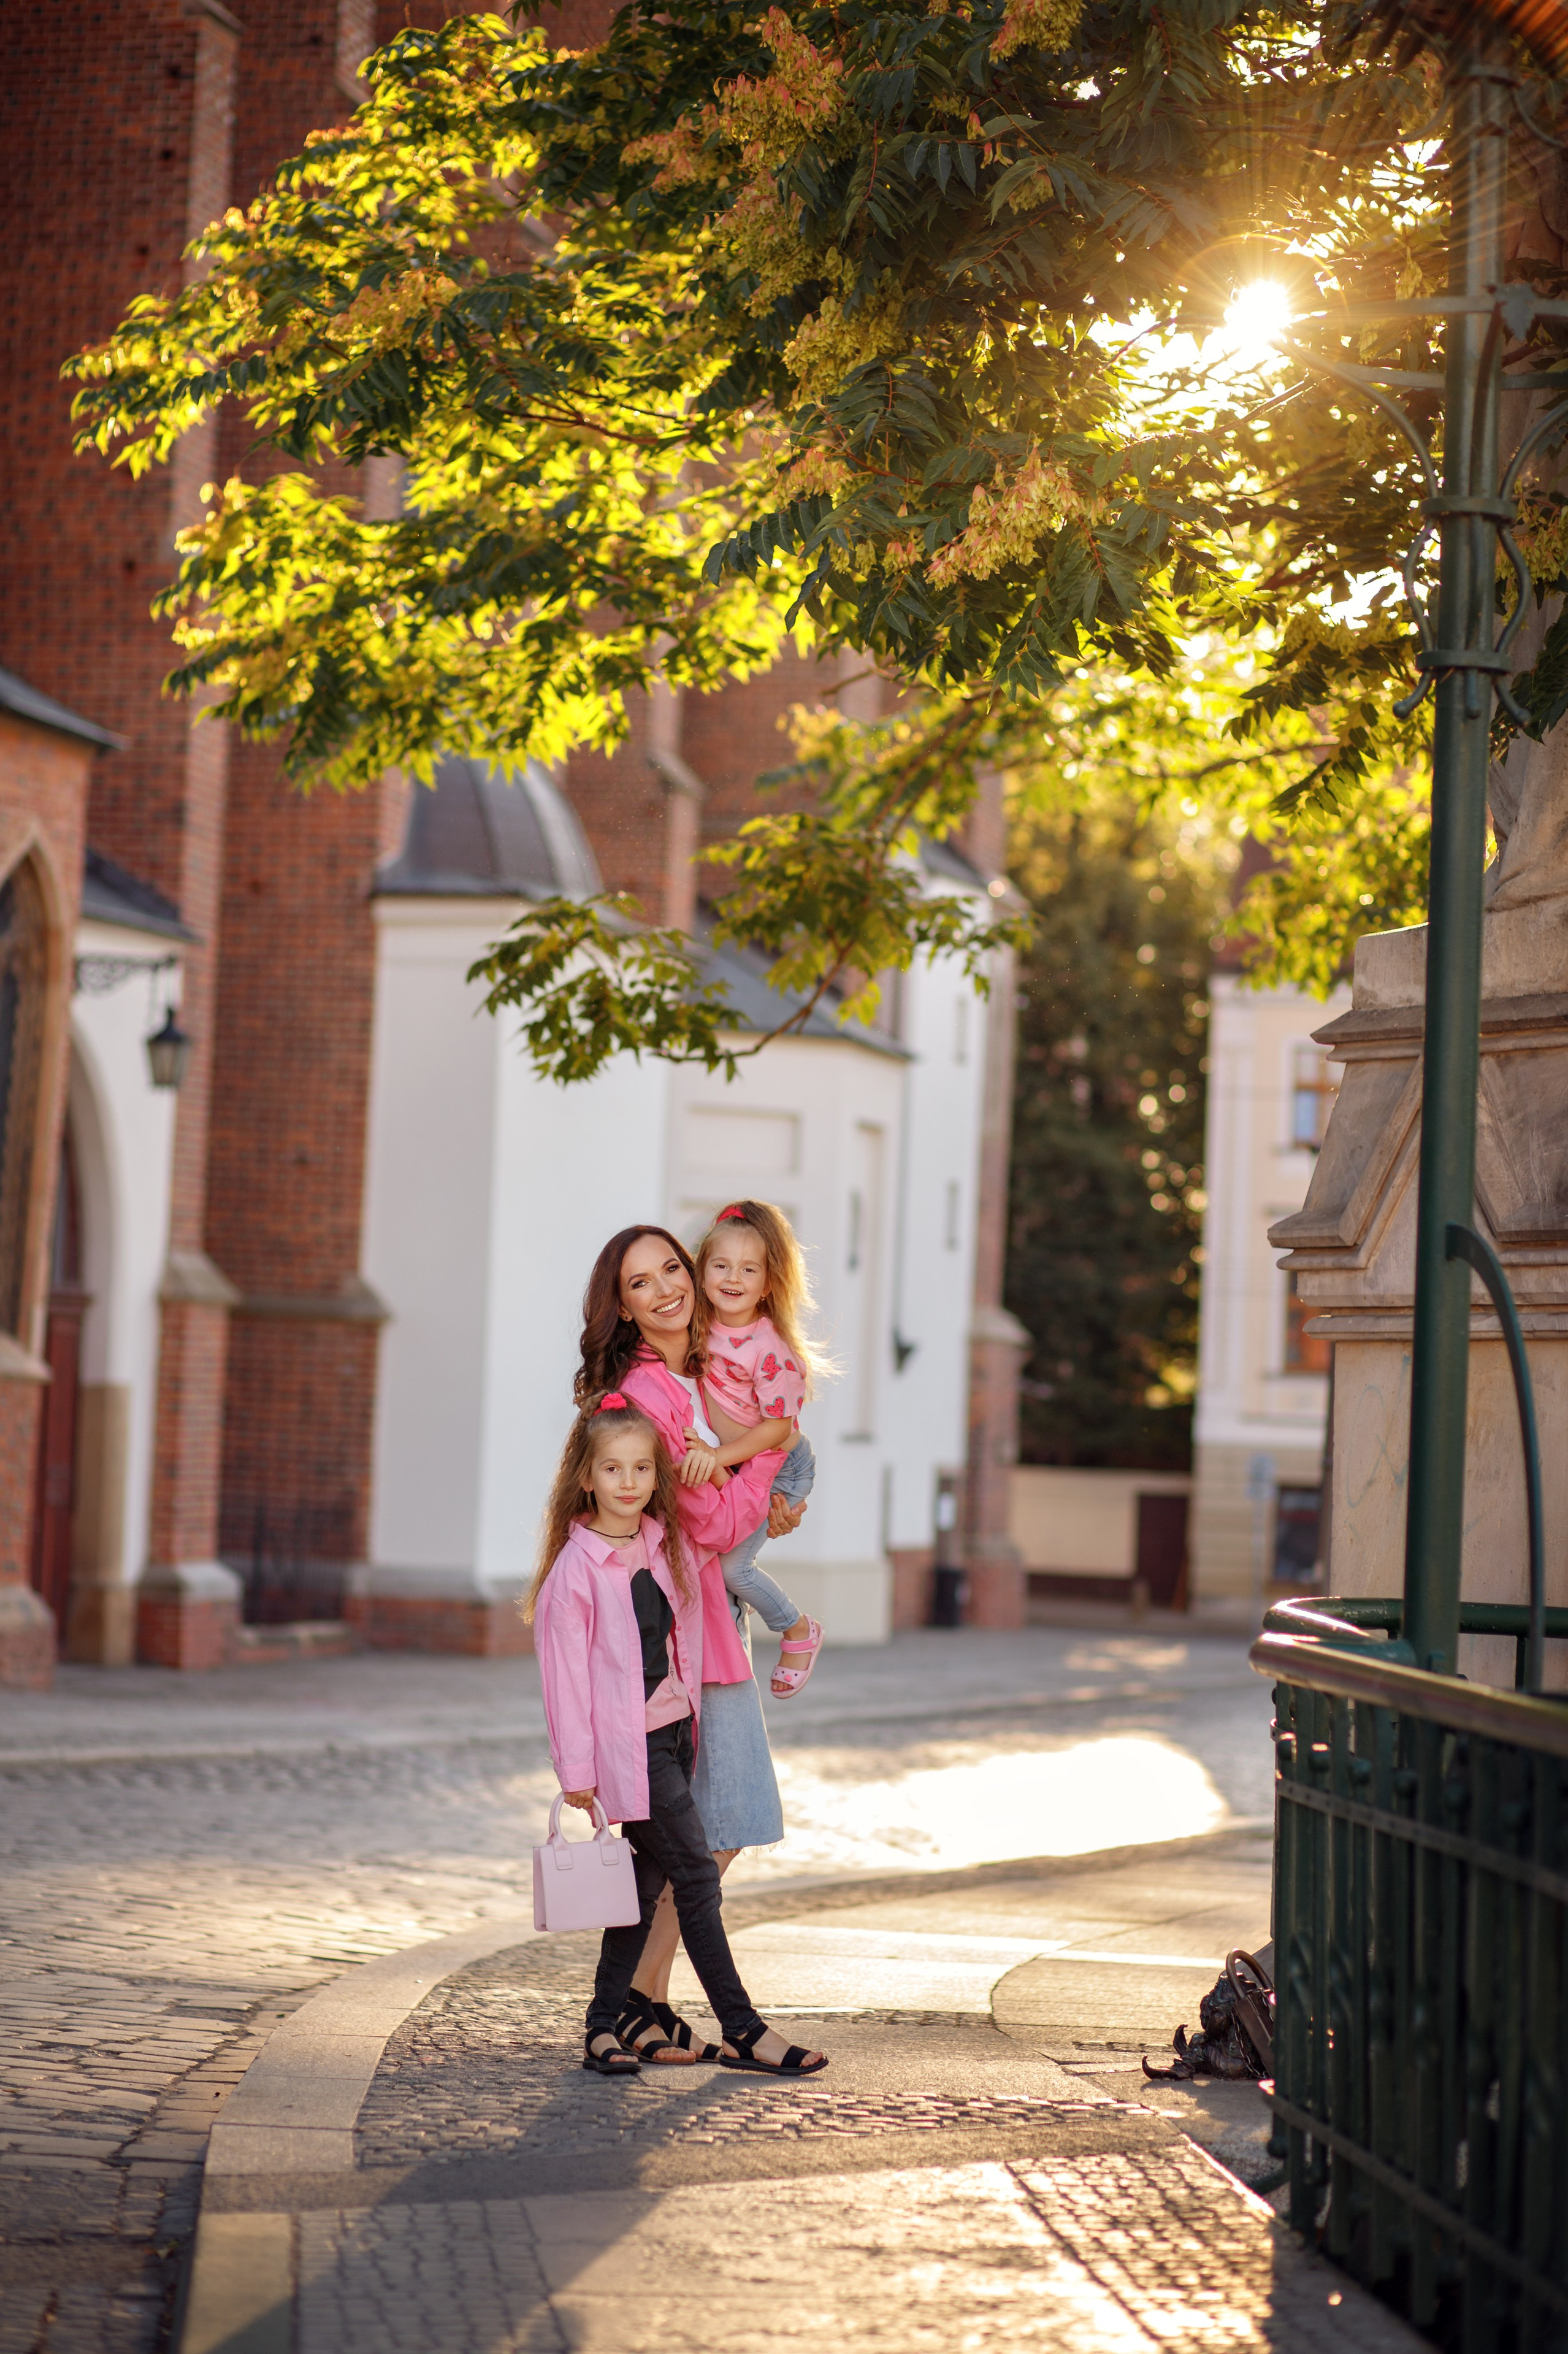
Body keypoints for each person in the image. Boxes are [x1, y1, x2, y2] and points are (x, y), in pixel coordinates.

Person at [527, 1392, 826, 2079]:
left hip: (674, 1733)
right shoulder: (574, 1575)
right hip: (629, 1751)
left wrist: (777, 1494)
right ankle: (744, 2029)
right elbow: (564, 1680)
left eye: (640, 1468)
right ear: (587, 1478)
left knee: (643, 1883)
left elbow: (731, 1530)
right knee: (694, 1874)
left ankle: (602, 2027)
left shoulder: (659, 1546)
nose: (628, 1482)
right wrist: (577, 1771)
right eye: (613, 1469)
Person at [574, 1224, 806, 2063]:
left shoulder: (697, 1371)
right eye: (641, 1283)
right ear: (626, 1309)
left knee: (707, 1824)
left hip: (710, 1619)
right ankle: (642, 1998)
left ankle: (643, 2000)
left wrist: (772, 1484)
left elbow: (732, 1491)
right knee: (724, 1817)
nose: (667, 1286)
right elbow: (705, 1516)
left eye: (672, 1266)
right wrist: (766, 1473)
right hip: (687, 1631)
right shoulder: (650, 1389)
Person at [689, 1198, 825, 1698]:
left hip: (780, 1463)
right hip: (742, 1465)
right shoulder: (699, 1327)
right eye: (720, 1266)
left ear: (767, 1284)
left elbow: (777, 1428)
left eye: (748, 1269)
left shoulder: (769, 1348)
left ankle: (796, 1631)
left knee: (732, 1568)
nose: (732, 1277)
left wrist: (716, 1458)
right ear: (701, 1273)